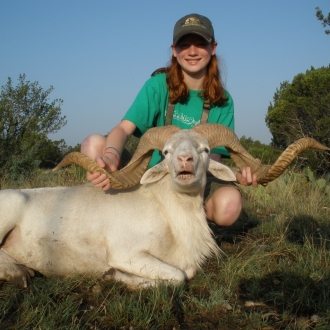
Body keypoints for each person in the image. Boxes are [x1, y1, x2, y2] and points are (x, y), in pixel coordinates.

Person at [81, 13, 258, 227]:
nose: (192, 51)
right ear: (174, 51)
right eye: (184, 45)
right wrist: (110, 157)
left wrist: (239, 176)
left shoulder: (223, 100)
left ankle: (188, 225)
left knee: (229, 206)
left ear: (213, 48)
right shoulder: (157, 85)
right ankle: (115, 221)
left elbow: (216, 161)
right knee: (93, 144)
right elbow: (123, 129)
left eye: (200, 43)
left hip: (195, 180)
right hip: (153, 176)